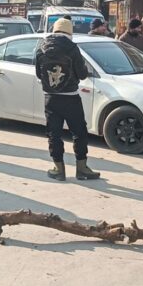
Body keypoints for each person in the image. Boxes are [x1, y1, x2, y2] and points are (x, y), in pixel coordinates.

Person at [35, 18, 100, 181]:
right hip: (71, 98)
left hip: (50, 98)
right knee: (79, 132)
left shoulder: (41, 47)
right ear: (69, 32)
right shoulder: (72, 48)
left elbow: (38, 73)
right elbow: (83, 74)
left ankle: (58, 169)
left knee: (53, 133)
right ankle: (82, 168)